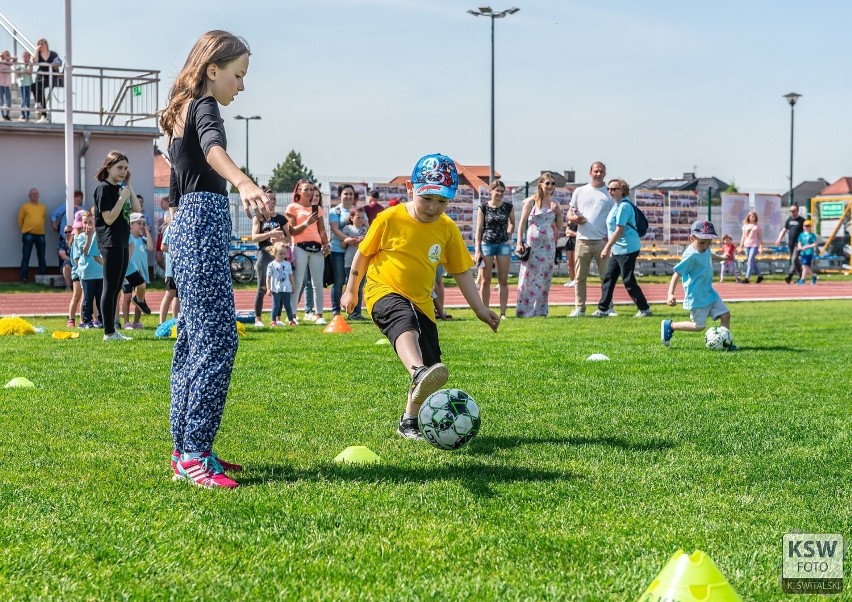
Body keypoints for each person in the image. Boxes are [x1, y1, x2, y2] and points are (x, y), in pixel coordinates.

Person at [160, 30, 268, 488]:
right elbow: (213, 149)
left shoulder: (180, 112)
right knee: (218, 340)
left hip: (185, 225)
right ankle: (194, 455)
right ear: (213, 70)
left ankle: (184, 447)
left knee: (194, 341)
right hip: (200, 225)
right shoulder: (204, 108)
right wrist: (244, 183)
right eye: (238, 76)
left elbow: (176, 189)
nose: (240, 87)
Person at [341, 153, 500, 440]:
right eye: (427, 198)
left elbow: (462, 272)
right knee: (405, 324)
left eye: (442, 201)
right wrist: (351, 290)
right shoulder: (389, 219)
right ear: (410, 189)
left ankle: (409, 421)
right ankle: (416, 371)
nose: (433, 207)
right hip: (382, 292)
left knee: (432, 363)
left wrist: (479, 309)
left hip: (422, 304)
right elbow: (363, 255)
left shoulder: (447, 229)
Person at [662, 220, 736, 350]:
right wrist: (670, 294)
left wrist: (722, 257)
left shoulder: (704, 247)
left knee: (726, 315)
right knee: (698, 326)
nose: (706, 246)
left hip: (709, 292)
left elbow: (709, 255)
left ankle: (725, 342)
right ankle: (670, 326)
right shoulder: (690, 256)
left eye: (709, 242)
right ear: (692, 238)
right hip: (697, 297)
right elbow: (676, 274)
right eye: (702, 242)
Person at [93, 150, 141, 341]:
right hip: (110, 242)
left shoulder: (121, 187)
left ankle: (112, 330)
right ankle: (108, 332)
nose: (123, 171)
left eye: (126, 168)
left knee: (117, 287)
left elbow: (137, 209)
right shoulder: (103, 189)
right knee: (110, 287)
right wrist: (121, 198)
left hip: (122, 240)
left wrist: (128, 186)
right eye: (119, 167)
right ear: (109, 168)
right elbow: (109, 218)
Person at [595, 179, 652, 318]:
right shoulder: (616, 205)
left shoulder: (624, 207)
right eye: (609, 189)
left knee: (628, 279)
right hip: (618, 249)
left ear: (623, 190)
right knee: (609, 278)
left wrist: (606, 248)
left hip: (627, 248)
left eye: (614, 189)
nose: (610, 191)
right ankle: (603, 309)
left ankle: (644, 309)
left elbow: (620, 229)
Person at [568, 162, 615, 317]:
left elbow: (615, 217)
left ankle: (608, 307)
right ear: (590, 172)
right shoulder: (580, 191)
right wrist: (575, 219)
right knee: (580, 277)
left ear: (605, 173)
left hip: (602, 241)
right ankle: (579, 308)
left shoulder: (609, 193)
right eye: (596, 171)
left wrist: (610, 238)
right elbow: (569, 213)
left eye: (601, 171)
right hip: (582, 240)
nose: (598, 174)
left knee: (606, 277)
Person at [514, 172, 563, 318]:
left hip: (548, 245)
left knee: (545, 277)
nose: (550, 186)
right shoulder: (531, 201)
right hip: (532, 244)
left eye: (553, 184)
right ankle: (524, 310)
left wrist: (558, 213)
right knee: (529, 277)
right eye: (547, 183)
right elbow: (522, 223)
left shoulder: (555, 204)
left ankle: (541, 310)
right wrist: (518, 243)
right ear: (541, 184)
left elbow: (559, 226)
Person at [286, 179, 330, 325]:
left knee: (317, 282)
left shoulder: (317, 208)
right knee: (298, 282)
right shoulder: (293, 207)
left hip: (316, 248)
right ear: (299, 191)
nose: (310, 192)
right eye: (306, 189)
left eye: (311, 189)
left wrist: (326, 244)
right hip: (300, 246)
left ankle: (319, 315)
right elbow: (291, 231)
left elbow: (322, 229)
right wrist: (306, 223)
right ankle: (291, 315)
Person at [474, 179, 515, 319]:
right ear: (491, 191)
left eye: (502, 191)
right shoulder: (483, 207)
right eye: (497, 190)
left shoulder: (508, 206)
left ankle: (503, 313)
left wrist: (509, 234)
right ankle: (484, 311)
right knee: (486, 280)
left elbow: (512, 223)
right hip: (487, 244)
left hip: (503, 245)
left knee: (503, 280)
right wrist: (477, 249)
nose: (500, 193)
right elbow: (479, 229)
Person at [251, 185, 288, 327]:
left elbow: (288, 238)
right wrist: (270, 234)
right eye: (268, 198)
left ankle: (277, 318)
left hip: (278, 257)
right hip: (265, 254)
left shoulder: (281, 218)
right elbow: (255, 237)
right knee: (262, 287)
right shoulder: (259, 218)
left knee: (280, 287)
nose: (271, 201)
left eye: (274, 199)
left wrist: (280, 240)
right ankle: (258, 318)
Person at [121, 213, 154, 330]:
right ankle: (126, 321)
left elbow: (150, 248)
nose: (141, 226)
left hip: (140, 273)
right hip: (128, 272)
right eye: (139, 224)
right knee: (127, 296)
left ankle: (136, 321)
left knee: (140, 298)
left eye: (143, 224)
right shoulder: (127, 238)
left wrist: (147, 232)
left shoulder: (143, 240)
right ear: (131, 225)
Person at [328, 184, 356, 317]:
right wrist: (348, 239)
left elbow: (365, 226)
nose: (348, 196)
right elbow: (335, 229)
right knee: (339, 281)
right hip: (338, 251)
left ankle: (353, 312)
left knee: (354, 282)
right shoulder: (335, 211)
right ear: (340, 195)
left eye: (351, 194)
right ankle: (336, 311)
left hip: (354, 252)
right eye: (346, 193)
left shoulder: (357, 211)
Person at [76, 211, 104, 329]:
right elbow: (85, 251)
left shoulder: (100, 235)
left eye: (90, 222)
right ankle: (86, 321)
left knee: (100, 298)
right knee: (88, 298)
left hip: (100, 272)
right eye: (85, 222)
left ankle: (102, 320)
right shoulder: (81, 237)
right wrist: (88, 236)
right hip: (87, 273)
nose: (88, 225)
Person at [341, 207, 369, 320]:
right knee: (350, 286)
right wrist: (347, 240)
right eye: (358, 217)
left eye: (363, 217)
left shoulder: (365, 229)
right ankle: (350, 311)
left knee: (360, 287)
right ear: (352, 217)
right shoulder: (347, 229)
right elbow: (342, 244)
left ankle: (357, 313)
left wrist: (361, 240)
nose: (361, 219)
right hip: (349, 262)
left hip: (362, 264)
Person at [18, 187, 48, 282]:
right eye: (32, 194)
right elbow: (20, 220)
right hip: (28, 234)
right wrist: (24, 229)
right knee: (26, 256)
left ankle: (42, 276)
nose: (34, 195)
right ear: (29, 196)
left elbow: (43, 218)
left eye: (36, 194)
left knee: (42, 256)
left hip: (40, 234)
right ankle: (24, 277)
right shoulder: (25, 207)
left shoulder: (43, 207)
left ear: (38, 196)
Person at [266, 242, 296, 326]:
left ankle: (291, 320)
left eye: (284, 253)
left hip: (286, 288)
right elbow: (268, 277)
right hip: (276, 289)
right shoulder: (271, 265)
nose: (282, 255)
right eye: (280, 253)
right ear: (274, 253)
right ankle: (273, 321)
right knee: (276, 305)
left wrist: (293, 286)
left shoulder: (288, 264)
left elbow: (291, 276)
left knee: (288, 305)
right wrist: (268, 288)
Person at [775, 203, 806, 284]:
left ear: (797, 211)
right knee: (794, 261)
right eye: (791, 211)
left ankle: (790, 275)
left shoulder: (802, 221)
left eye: (794, 211)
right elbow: (784, 230)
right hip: (791, 243)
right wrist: (779, 239)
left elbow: (806, 232)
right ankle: (800, 277)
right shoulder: (789, 220)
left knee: (794, 259)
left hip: (798, 244)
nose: (792, 212)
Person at [32, 39, 61, 123]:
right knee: (35, 87)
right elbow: (35, 61)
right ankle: (43, 113)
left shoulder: (53, 54)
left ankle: (40, 108)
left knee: (38, 87)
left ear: (46, 44)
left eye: (42, 44)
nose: (40, 46)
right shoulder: (38, 54)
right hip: (41, 76)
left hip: (50, 76)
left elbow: (59, 62)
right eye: (38, 44)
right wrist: (36, 50)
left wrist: (54, 64)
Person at [158, 216, 180, 324]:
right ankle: (161, 322)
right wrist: (176, 251)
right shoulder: (170, 228)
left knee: (177, 295)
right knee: (169, 294)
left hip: (179, 268)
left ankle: (175, 321)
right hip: (171, 269)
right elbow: (163, 246)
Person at [66, 212, 84, 327]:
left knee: (84, 297)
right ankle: (71, 319)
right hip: (78, 272)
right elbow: (76, 259)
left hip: (84, 271)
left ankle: (83, 319)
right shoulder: (76, 239)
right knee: (77, 296)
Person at [738, 210, 763, 283]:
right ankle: (760, 275)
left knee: (749, 261)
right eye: (752, 216)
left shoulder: (757, 226)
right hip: (747, 245)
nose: (753, 218)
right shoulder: (745, 226)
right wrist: (740, 247)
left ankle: (747, 278)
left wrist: (761, 247)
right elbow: (743, 237)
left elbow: (760, 237)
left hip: (754, 245)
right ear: (749, 217)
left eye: (754, 216)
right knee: (752, 262)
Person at [796, 219, 818, 285]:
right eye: (805, 226)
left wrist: (807, 247)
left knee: (805, 266)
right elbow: (799, 242)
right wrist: (800, 247)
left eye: (808, 226)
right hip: (803, 252)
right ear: (803, 226)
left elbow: (815, 244)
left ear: (810, 227)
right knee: (804, 266)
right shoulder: (801, 235)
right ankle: (813, 276)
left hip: (809, 252)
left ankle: (802, 279)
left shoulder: (812, 235)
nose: (807, 227)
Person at [15, 50, 34, 121]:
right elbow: (17, 74)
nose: (25, 58)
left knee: (27, 99)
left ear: (29, 57)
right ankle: (22, 114)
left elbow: (30, 71)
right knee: (23, 99)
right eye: (24, 57)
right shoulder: (20, 64)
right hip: (22, 83)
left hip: (28, 83)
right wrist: (23, 72)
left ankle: (27, 115)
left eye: (26, 57)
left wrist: (23, 72)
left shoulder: (30, 64)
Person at [561, 222, 578, 287]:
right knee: (569, 262)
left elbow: (578, 233)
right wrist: (570, 232)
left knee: (575, 261)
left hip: (576, 240)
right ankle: (572, 279)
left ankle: (576, 280)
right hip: (569, 241)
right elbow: (567, 231)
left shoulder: (579, 219)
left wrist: (573, 233)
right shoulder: (570, 220)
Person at [57, 223, 73, 290]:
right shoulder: (62, 243)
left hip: (79, 263)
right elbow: (63, 255)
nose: (67, 233)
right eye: (66, 232)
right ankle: (68, 286)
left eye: (69, 231)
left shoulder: (77, 241)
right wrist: (74, 262)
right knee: (66, 264)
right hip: (69, 263)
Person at [0, 50, 12, 121]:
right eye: (6, 55)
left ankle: (7, 114)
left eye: (8, 55)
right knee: (1, 101)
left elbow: (14, 61)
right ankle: (2, 115)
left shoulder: (9, 63)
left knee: (8, 101)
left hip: (7, 84)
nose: (7, 56)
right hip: (0, 84)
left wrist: (8, 61)